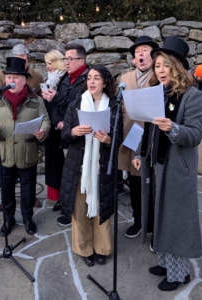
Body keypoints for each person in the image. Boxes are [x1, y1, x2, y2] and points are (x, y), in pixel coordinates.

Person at [132, 36, 202, 291]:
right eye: (157, 65)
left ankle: (179, 274)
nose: (160, 70)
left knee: (175, 222)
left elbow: (195, 135)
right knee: (159, 216)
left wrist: (173, 128)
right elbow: (147, 130)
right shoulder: (157, 93)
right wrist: (141, 155)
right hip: (156, 164)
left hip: (176, 169)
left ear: (177, 67)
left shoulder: (192, 96)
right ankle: (165, 262)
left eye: (166, 65)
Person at [59, 65, 123, 266]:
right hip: (79, 167)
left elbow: (119, 137)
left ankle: (102, 247)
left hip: (102, 166)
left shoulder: (114, 105)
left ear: (105, 82)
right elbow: (64, 137)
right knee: (79, 210)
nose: (92, 82)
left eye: (97, 78)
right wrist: (73, 133)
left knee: (101, 207)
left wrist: (108, 140)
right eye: (89, 78)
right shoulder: (75, 104)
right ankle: (84, 248)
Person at [0, 57, 51, 236]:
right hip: (5, 153)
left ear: (24, 80)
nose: (11, 80)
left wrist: (42, 132)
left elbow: (46, 121)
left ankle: (28, 218)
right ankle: (8, 218)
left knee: (28, 190)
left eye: (16, 77)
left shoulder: (36, 100)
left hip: (26, 152)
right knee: (6, 190)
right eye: (9, 77)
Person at [42, 43, 89, 226]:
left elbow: (77, 104)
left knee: (78, 175)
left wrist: (65, 121)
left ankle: (77, 211)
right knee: (67, 172)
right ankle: (67, 206)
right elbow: (55, 106)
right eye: (65, 59)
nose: (67, 62)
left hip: (80, 135)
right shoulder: (65, 79)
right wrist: (58, 122)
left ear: (81, 60)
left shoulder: (88, 78)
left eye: (70, 59)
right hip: (64, 131)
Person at [118, 36, 159, 245]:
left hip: (153, 138)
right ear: (134, 59)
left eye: (145, 50)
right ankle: (137, 220)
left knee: (152, 183)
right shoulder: (125, 78)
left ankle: (153, 225)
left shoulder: (160, 76)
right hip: (131, 136)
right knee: (134, 182)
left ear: (153, 56)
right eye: (137, 52)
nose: (141, 54)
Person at [43, 50, 66, 207]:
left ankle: (65, 197)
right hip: (51, 126)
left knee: (64, 163)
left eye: (50, 63)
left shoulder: (65, 78)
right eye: (47, 63)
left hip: (63, 125)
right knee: (53, 162)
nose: (48, 66)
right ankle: (57, 196)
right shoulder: (49, 79)